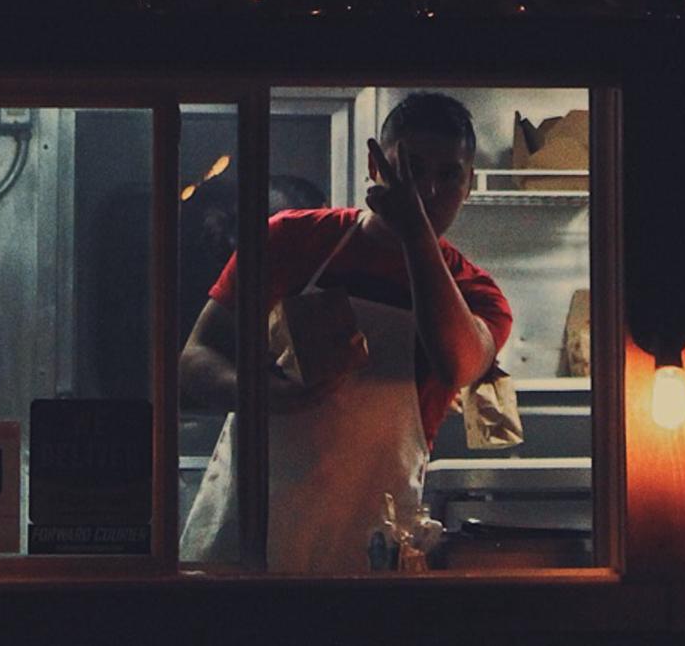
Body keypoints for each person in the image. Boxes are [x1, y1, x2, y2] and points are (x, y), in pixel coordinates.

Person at [178, 92, 512, 572]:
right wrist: (272, 393)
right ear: (378, 165)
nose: (430, 192)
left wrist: (416, 233)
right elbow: (194, 360)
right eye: (412, 169)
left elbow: (456, 363)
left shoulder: (476, 294)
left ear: (469, 183)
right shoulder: (290, 240)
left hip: (375, 542)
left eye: (449, 175)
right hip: (254, 532)